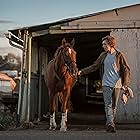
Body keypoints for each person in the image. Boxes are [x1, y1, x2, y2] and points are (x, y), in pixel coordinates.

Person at [78, 35, 131, 133]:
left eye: (105, 44)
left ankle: (110, 123)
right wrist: (82, 71)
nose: (103, 46)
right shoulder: (103, 55)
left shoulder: (119, 55)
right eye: (103, 44)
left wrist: (125, 84)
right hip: (106, 83)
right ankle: (111, 124)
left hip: (117, 84)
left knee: (114, 105)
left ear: (111, 44)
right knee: (108, 105)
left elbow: (126, 70)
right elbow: (94, 66)